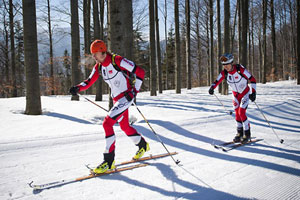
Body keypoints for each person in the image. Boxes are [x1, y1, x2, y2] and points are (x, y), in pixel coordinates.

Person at [69, 40, 149, 174]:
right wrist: (77, 88)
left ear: (103, 51)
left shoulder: (117, 60)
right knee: (124, 126)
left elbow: (140, 72)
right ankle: (142, 145)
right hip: (116, 99)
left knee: (107, 124)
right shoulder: (99, 67)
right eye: (92, 54)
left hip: (126, 97)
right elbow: (89, 82)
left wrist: (134, 92)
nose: (94, 57)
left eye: (96, 54)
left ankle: (109, 161)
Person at [208, 53, 257, 143]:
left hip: (245, 93)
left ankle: (247, 133)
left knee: (242, 112)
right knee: (237, 114)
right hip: (235, 95)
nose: (225, 67)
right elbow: (216, 81)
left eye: (227, 64)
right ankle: (239, 133)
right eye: (224, 65)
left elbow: (252, 79)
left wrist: (253, 92)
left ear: (231, 63)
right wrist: (212, 88)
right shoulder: (224, 73)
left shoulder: (240, 69)